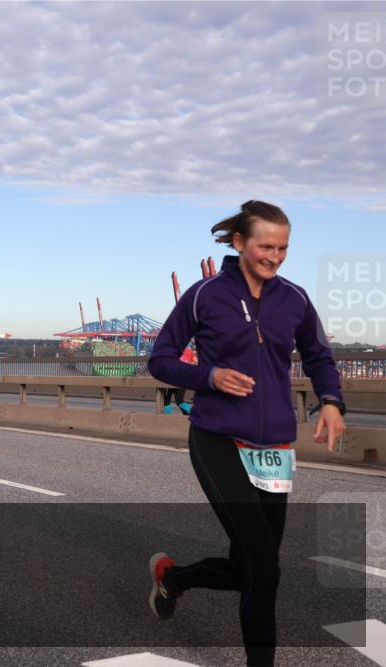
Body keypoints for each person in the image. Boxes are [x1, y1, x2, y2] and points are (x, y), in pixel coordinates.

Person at [147, 200, 346, 667]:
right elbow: (160, 359)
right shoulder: (204, 294)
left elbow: (319, 356)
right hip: (217, 438)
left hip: (274, 448)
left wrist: (332, 401)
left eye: (283, 248)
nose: (274, 257)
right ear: (239, 242)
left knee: (251, 568)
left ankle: (173, 579)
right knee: (265, 567)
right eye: (265, 246)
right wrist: (209, 377)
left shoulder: (294, 298)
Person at [163, 346, 197, 415]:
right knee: (179, 400)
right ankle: (190, 413)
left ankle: (167, 418)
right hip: (183, 379)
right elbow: (196, 361)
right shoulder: (189, 351)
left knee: (166, 400)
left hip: (172, 379)